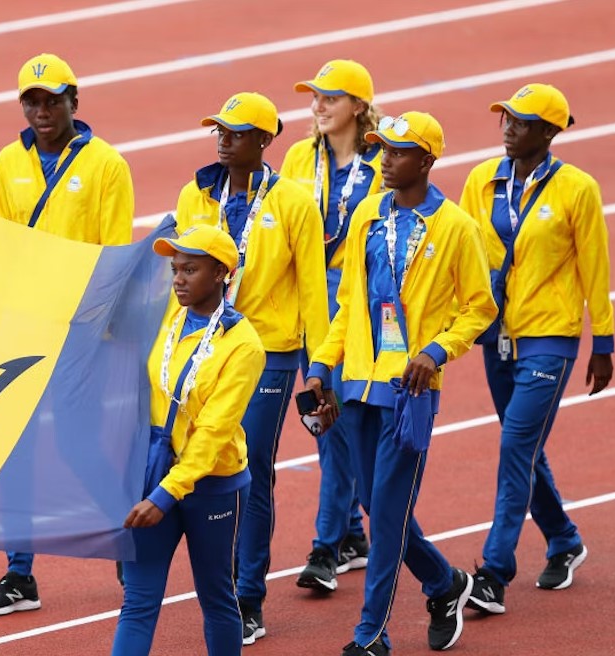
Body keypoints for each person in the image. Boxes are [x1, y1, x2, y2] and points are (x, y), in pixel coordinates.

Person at [303, 112, 498, 655]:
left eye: (397, 151)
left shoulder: (455, 226)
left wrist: (437, 351)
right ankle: (444, 583)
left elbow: (480, 307)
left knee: (386, 518)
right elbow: (349, 304)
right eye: (382, 149)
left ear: (427, 160)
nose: (385, 160)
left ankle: (372, 634)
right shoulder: (367, 214)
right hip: (357, 386)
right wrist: (322, 365)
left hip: (409, 391)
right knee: (375, 505)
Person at [0, 52, 135, 616]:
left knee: (73, 442)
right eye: (32, 102)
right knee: (13, 448)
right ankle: (19, 574)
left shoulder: (106, 164)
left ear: (74, 101)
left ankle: (127, 536)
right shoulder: (7, 161)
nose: (42, 111)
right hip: (22, 327)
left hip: (78, 331)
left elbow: (115, 255)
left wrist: (96, 331)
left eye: (52, 100)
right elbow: (1, 245)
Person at [173, 91, 328, 645]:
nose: (223, 140)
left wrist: (319, 367)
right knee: (200, 461)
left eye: (235, 132)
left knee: (252, 468)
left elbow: (314, 290)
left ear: (264, 140)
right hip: (205, 347)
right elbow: (179, 274)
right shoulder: (196, 193)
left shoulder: (293, 202)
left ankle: (248, 596)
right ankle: (218, 587)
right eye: (219, 130)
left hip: (269, 353)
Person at [459, 83, 614, 615]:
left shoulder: (577, 188)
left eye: (520, 122)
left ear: (548, 132)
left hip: (551, 336)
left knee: (514, 446)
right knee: (523, 447)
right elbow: (465, 254)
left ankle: (494, 572)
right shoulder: (482, 180)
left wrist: (603, 341)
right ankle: (564, 539)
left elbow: (595, 266)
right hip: (497, 335)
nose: (508, 128)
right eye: (505, 118)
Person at [112, 224, 265, 656]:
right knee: (138, 602)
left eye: (190, 270)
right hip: (154, 475)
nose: (178, 279)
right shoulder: (168, 316)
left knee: (216, 596)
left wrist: (166, 494)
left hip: (212, 484)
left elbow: (214, 431)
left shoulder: (244, 346)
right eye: (175, 269)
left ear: (220, 274)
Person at [281, 58, 384, 593]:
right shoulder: (299, 157)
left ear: (358, 106)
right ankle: (353, 535)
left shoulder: (383, 161)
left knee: (336, 422)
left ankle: (326, 547)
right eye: (315, 97)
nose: (318, 106)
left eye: (330, 97)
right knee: (326, 422)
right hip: (306, 306)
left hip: (354, 308)